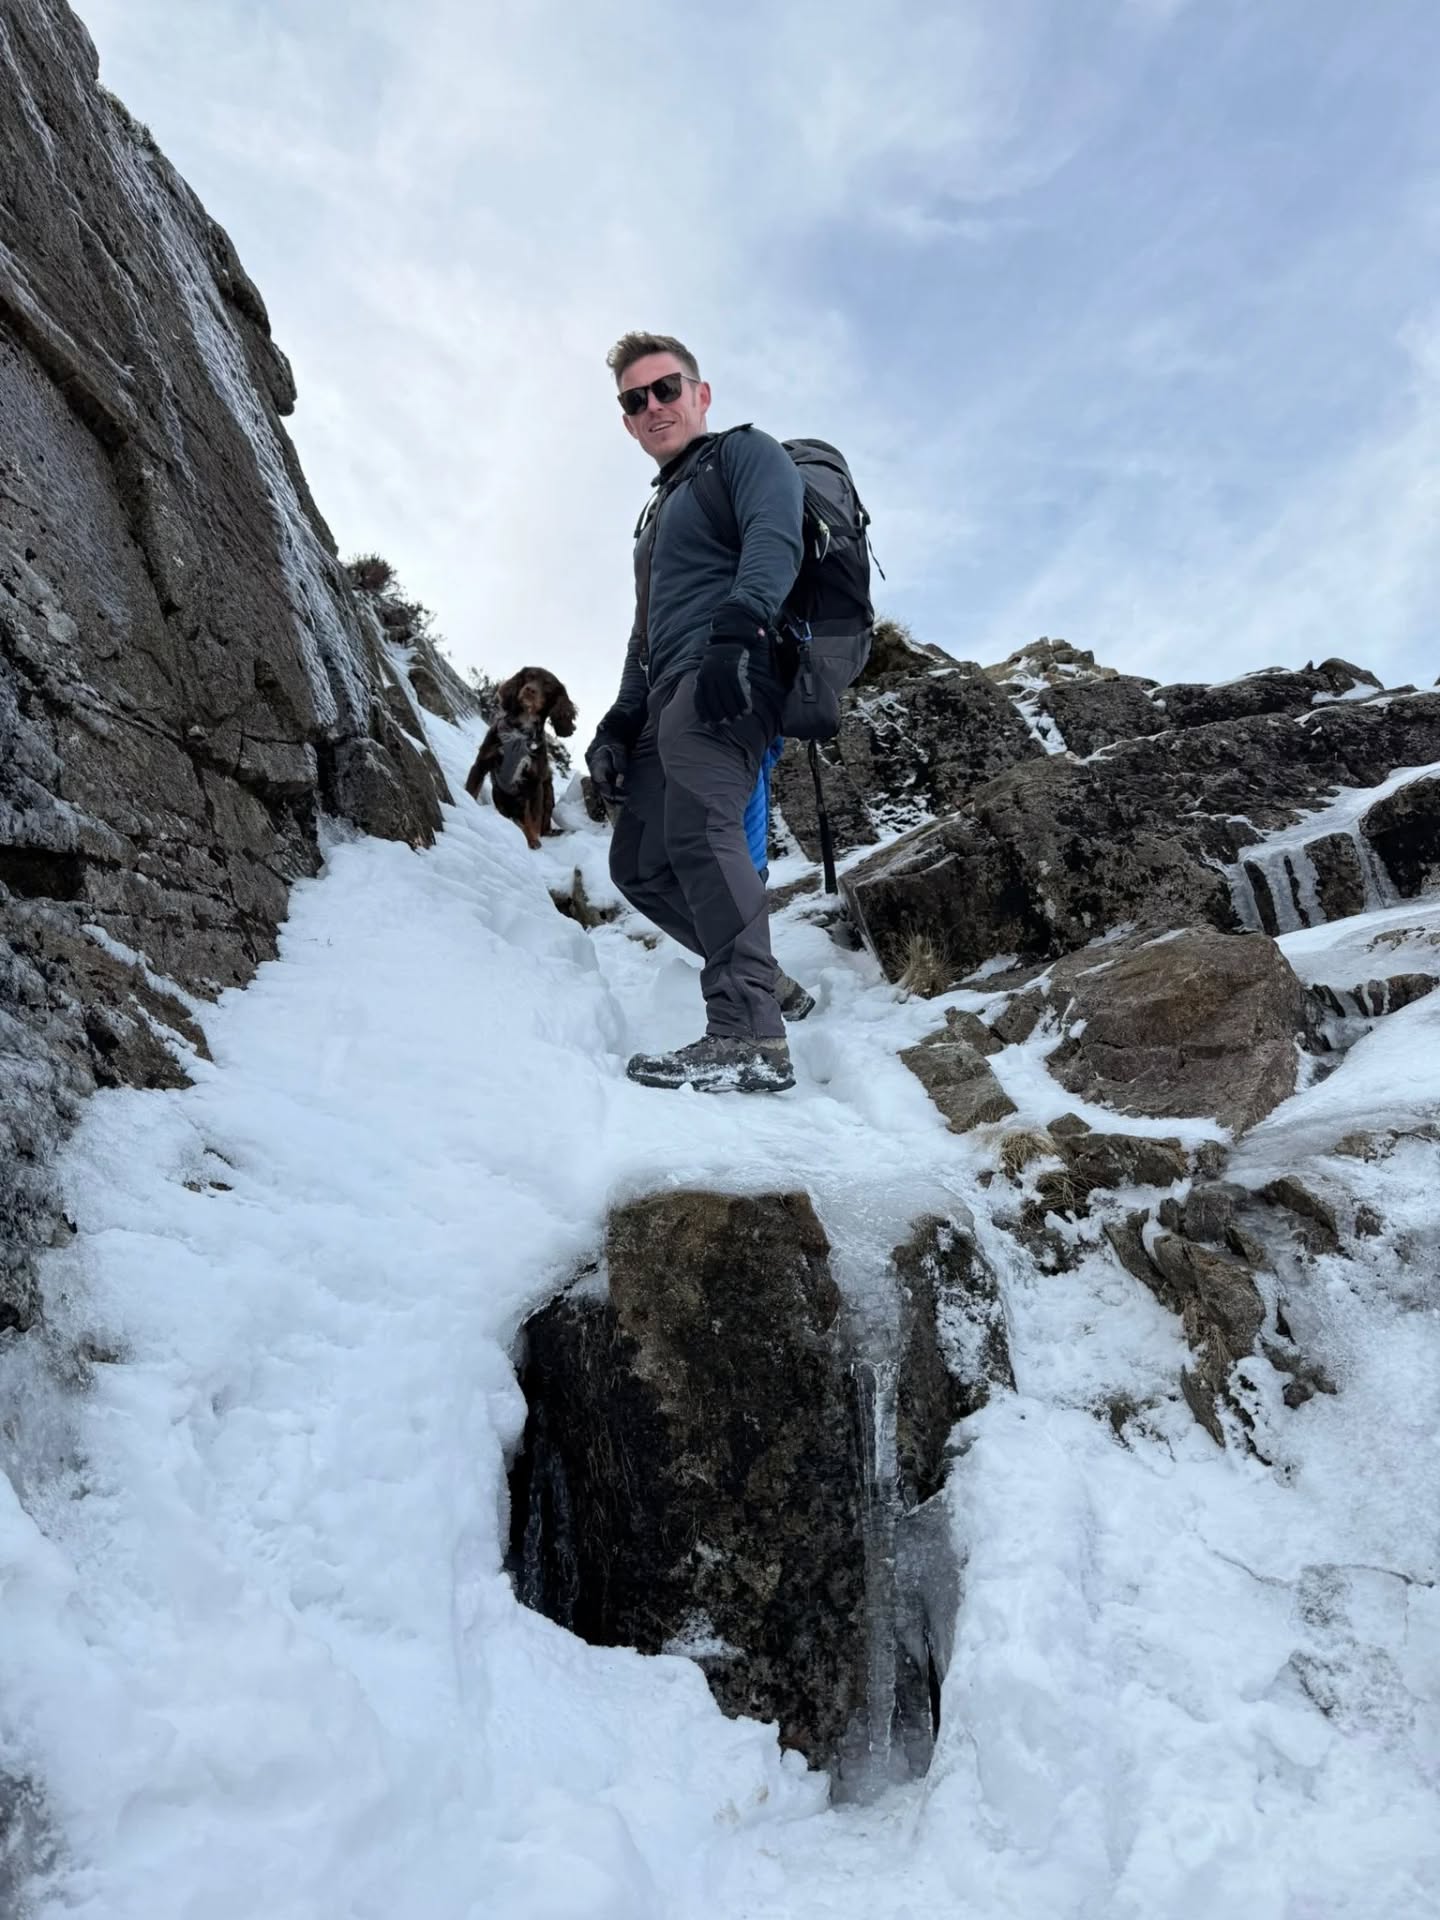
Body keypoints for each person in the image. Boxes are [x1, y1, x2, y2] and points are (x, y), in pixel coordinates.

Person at [584, 332, 807, 1093]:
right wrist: (619, 720)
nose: (653, 407)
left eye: (666, 389)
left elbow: (776, 539)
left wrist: (739, 633)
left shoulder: (746, 454)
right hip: (666, 688)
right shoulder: (655, 518)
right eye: (635, 399)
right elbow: (644, 632)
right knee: (638, 861)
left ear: (700, 394)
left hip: (729, 673)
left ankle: (748, 1035)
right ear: (625, 419)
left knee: (704, 832)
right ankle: (762, 977)